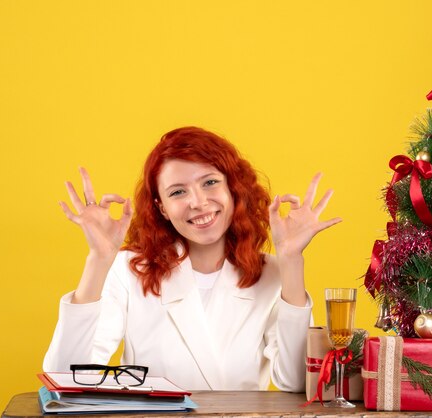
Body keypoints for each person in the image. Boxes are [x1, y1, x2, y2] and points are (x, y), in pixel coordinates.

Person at [43, 126, 341, 391]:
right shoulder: (128, 271)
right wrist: (99, 259)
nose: (198, 202)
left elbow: (296, 382)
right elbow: (64, 377)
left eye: (210, 182)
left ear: (233, 188)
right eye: (178, 191)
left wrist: (291, 260)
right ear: (161, 208)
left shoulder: (273, 273)